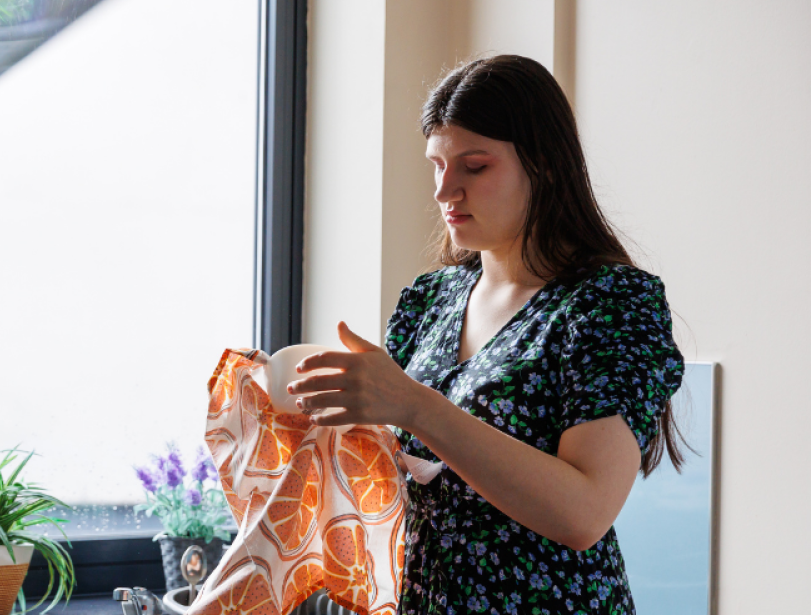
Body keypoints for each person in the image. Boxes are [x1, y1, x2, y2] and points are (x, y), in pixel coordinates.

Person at [283, 55, 687, 614]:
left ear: (543, 164)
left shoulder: (609, 303)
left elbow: (584, 514)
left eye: (474, 167)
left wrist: (413, 406)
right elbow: (394, 473)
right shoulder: (431, 300)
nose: (446, 190)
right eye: (436, 165)